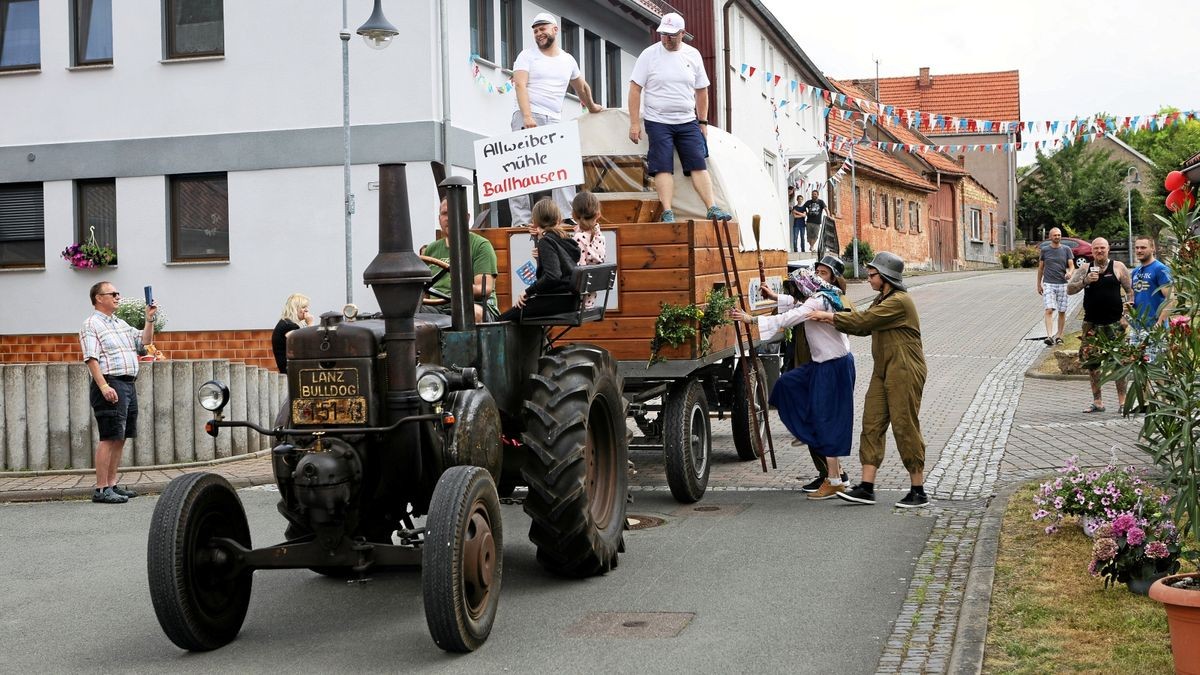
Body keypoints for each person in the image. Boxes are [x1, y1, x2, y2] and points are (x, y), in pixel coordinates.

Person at [811, 252, 930, 508]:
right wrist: (832, 309)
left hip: (905, 369)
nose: (868, 278)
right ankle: (866, 488)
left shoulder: (899, 301)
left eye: (873, 274)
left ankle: (918, 490)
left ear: (886, 277)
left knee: (904, 425)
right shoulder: (881, 299)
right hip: (883, 369)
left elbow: (865, 321)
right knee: (872, 423)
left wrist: (828, 317)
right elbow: (863, 326)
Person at [731, 259, 854, 500]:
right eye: (816, 272)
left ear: (832, 278)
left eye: (822, 273)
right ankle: (809, 435)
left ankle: (835, 479)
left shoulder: (822, 299)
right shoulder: (824, 295)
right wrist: (775, 297)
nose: (817, 275)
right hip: (822, 365)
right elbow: (798, 303)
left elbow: (793, 315)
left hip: (833, 366)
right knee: (786, 386)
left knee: (826, 419)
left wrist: (751, 320)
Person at [627, 12, 732, 224]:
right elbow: (635, 88)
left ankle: (711, 207)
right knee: (662, 166)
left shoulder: (693, 55)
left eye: (671, 35)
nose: (666, 39)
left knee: (698, 163)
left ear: (682, 34)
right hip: (658, 120)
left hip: (687, 120)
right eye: (663, 34)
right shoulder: (649, 55)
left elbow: (702, 90)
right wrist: (635, 123)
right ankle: (667, 211)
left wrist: (702, 120)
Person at [508, 12, 603, 228]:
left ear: (554, 30)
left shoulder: (567, 60)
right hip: (528, 116)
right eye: (535, 31)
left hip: (554, 119)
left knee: (563, 163)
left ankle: (565, 214)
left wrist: (592, 106)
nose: (539, 33)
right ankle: (521, 221)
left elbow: (582, 87)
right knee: (520, 167)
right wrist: (527, 116)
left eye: (542, 29)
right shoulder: (527, 56)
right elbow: (520, 85)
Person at [80, 281, 157, 504]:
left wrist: (149, 318)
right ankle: (101, 489)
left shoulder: (120, 323)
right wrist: (104, 386)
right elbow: (91, 358)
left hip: (128, 384)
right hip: (110, 382)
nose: (117, 296)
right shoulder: (91, 324)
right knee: (109, 436)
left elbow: (145, 342)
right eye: (112, 293)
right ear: (98, 298)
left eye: (118, 293)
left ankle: (112, 484)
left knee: (121, 436)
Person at [1068, 237, 1131, 413]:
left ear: (1108, 249)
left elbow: (1130, 292)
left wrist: (1126, 317)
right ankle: (1098, 402)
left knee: (1120, 363)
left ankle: (1123, 402)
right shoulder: (1085, 268)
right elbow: (1069, 289)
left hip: (1114, 324)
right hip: (1092, 324)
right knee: (1093, 364)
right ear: (1092, 251)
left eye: (1102, 248)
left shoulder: (1118, 267)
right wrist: (1086, 281)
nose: (1099, 251)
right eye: (1096, 249)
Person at [499, 198, 580, 321]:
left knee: (502, 319)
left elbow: (553, 276)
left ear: (534, 221)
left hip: (556, 300)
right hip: (571, 300)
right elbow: (565, 265)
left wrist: (527, 292)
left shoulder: (546, 241)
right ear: (558, 219)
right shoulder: (565, 238)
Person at [420, 198, 499, 322]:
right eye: (444, 214)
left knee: (471, 313)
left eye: (453, 213)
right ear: (439, 218)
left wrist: (458, 288)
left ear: (466, 218)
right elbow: (423, 290)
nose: (448, 218)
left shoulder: (480, 246)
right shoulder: (431, 249)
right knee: (404, 313)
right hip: (437, 308)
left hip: (474, 305)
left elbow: (484, 289)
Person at [1128, 235, 1173, 362]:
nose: (1139, 250)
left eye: (1143, 247)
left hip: (1154, 326)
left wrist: (1159, 323)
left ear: (1153, 248)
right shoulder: (1136, 271)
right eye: (1136, 248)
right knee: (1139, 367)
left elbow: (1170, 299)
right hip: (1137, 326)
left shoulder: (1160, 269)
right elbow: (1137, 295)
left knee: (1157, 368)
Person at [1036, 227, 1075, 346]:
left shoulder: (1066, 249)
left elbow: (1072, 265)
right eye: (1055, 235)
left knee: (1062, 311)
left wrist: (1069, 273)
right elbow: (1041, 268)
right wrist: (1038, 284)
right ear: (1050, 237)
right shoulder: (1045, 250)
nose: (1057, 237)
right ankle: (1049, 336)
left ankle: (1059, 335)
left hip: (1062, 283)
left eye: (1059, 235)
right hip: (1049, 283)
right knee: (1049, 309)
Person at [571, 190, 607, 309]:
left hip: (577, 302)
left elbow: (578, 271)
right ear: (598, 214)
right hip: (590, 300)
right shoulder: (599, 236)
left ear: (573, 215)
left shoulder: (578, 239)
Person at [272, 293, 314, 374]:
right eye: (303, 307)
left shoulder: (285, 323)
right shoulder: (289, 326)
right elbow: (302, 345)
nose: (307, 310)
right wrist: (310, 325)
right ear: (295, 308)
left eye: (307, 307)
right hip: (291, 372)